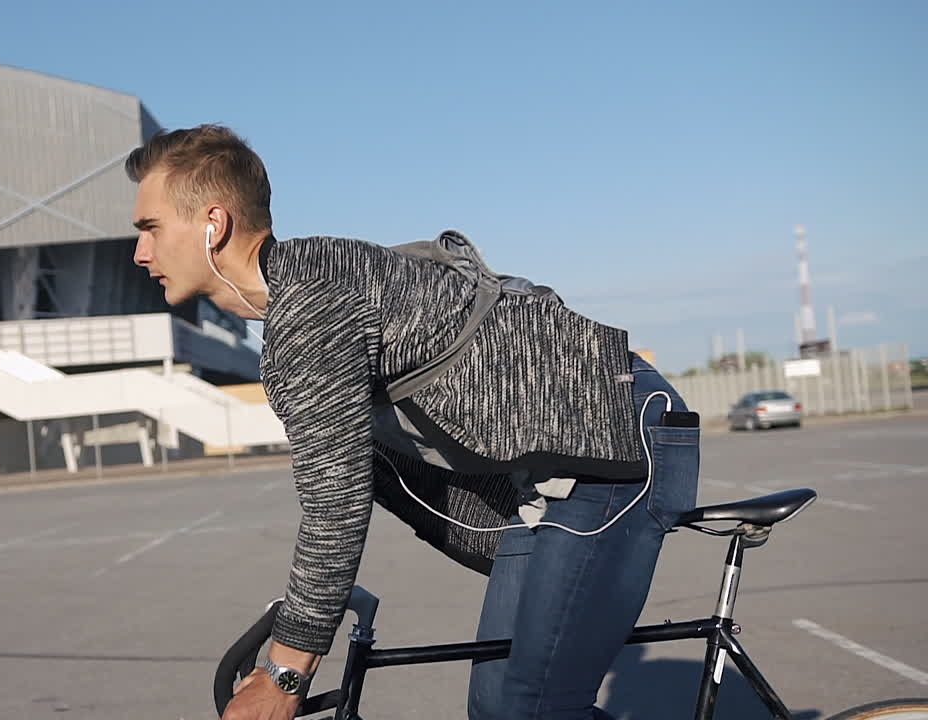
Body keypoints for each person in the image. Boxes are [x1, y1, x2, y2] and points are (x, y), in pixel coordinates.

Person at [127, 125, 700, 720]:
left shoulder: (308, 309)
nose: (140, 253)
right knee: (495, 706)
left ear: (212, 225)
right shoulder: (310, 280)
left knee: (534, 709)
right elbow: (372, 469)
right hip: (556, 477)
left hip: (618, 437)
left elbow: (336, 501)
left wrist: (284, 672)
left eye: (151, 228)